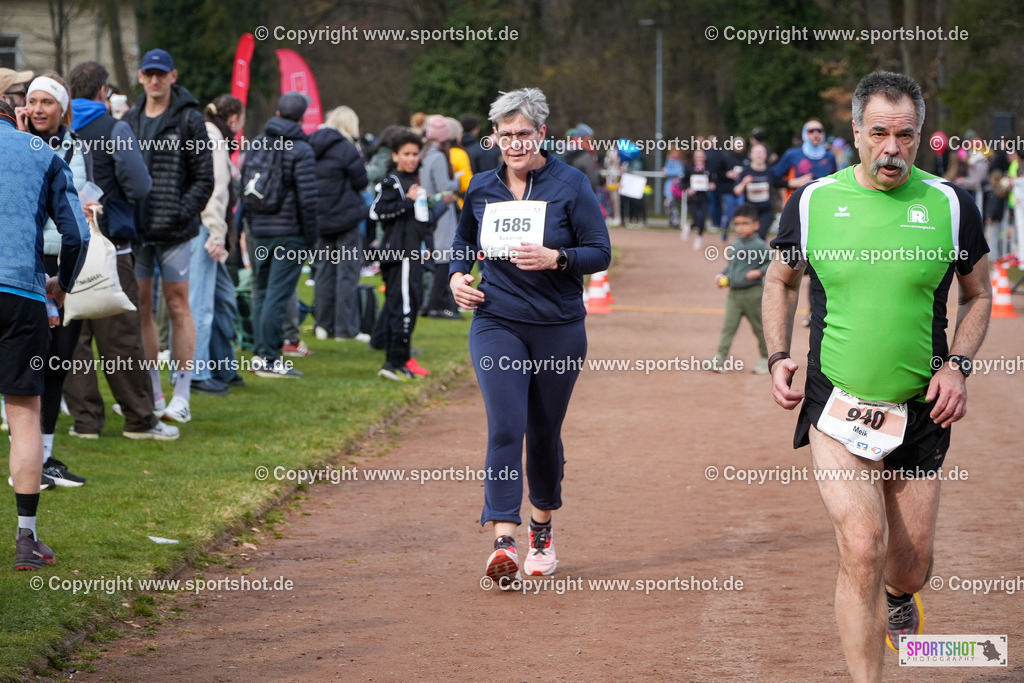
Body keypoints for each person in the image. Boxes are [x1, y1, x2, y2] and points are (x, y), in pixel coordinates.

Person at [763, 71, 991, 681]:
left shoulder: (948, 204)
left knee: (909, 566)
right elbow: (780, 280)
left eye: (906, 135)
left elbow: (979, 295)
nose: (893, 147)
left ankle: (900, 599)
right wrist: (777, 354)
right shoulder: (812, 202)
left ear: (920, 138)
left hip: (920, 406)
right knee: (863, 547)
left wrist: (958, 367)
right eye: (880, 134)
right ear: (857, 133)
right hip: (836, 401)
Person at [449, 88, 611, 584]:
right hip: (497, 321)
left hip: (559, 326)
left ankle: (542, 527)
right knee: (505, 426)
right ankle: (503, 539)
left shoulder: (571, 184)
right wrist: (457, 277)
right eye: (506, 135)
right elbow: (462, 242)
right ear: (493, 137)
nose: (515, 144)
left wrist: (556, 258)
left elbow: (599, 252)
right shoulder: (481, 187)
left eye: (524, 134)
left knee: (543, 433)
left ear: (541, 133)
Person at [64, 60, 179, 440]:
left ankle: (85, 420)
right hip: (111, 245)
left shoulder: (58, 130)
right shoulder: (116, 128)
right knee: (120, 337)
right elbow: (140, 185)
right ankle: (139, 418)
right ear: (103, 92)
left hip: (63, 247)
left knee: (73, 339)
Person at [0, 97, 89, 568]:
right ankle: (26, 541)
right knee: (24, 417)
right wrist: (61, 287)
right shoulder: (42, 153)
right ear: (14, 117)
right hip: (21, 294)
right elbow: (77, 236)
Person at [124, 48, 214, 423]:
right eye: (149, 73)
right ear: (141, 77)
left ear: (173, 76)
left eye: (162, 73)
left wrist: (179, 211)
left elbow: (204, 179)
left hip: (175, 231)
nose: (156, 80)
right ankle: (153, 393)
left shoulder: (190, 120)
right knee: (141, 307)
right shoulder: (128, 119)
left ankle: (182, 394)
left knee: (178, 305)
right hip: (139, 230)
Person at [16, 73, 93, 487]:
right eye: (34, 101)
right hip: (21, 258)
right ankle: (27, 457)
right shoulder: (14, 141)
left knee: (58, 357)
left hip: (63, 256)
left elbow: (76, 198)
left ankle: (44, 455)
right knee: (25, 359)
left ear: (62, 109)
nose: (40, 108)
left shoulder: (75, 147)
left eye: (48, 102)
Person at [245, 92, 319, 378]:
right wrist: (311, 238)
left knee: (262, 293)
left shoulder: (258, 143)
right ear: (302, 118)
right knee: (278, 294)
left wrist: (248, 226)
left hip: (259, 230)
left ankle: (260, 353)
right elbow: (308, 200)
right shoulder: (301, 149)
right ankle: (269, 358)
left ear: (276, 114)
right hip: (289, 234)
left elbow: (245, 187)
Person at [368, 129, 447, 380]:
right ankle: (393, 362)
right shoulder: (391, 182)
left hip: (413, 254)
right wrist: (409, 202)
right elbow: (376, 212)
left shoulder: (414, 183)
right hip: (398, 255)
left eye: (415, 154)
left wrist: (438, 204)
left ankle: (403, 358)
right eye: (406, 154)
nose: (411, 158)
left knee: (411, 305)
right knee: (401, 307)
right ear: (395, 155)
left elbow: (421, 221)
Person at [190, 94, 245, 395]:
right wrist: (216, 232)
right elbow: (216, 188)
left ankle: (223, 366)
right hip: (206, 229)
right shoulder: (214, 136)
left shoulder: (208, 132)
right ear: (234, 120)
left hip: (206, 227)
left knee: (224, 300)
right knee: (200, 303)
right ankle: (196, 372)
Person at [309, 105, 369, 341]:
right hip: (345, 218)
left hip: (319, 218)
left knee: (323, 271)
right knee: (347, 273)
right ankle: (346, 328)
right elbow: (361, 181)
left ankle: (322, 325)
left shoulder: (310, 144)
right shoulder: (347, 148)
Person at [711, 204, 769, 374]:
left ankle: (766, 358)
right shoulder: (736, 244)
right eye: (737, 224)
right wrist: (723, 276)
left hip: (753, 293)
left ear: (756, 225)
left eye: (745, 223)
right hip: (734, 295)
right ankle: (720, 358)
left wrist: (759, 272)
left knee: (759, 328)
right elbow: (732, 267)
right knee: (728, 327)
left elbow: (772, 263)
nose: (740, 228)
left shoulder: (759, 245)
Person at [419, 115, 461, 322]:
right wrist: (458, 180)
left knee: (435, 261)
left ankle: (432, 303)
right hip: (441, 213)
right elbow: (444, 187)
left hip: (427, 211)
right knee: (444, 260)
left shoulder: (424, 154)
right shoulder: (439, 157)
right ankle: (436, 304)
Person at [771, 119, 837, 205]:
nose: (815, 134)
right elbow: (773, 179)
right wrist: (792, 182)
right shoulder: (792, 154)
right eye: (811, 131)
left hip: (824, 203)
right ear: (804, 134)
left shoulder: (830, 156)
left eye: (819, 131)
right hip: (799, 204)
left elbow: (836, 181)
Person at [734, 143, 777, 239]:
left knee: (761, 235)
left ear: (766, 155)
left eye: (762, 152)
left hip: (766, 210)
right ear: (751, 155)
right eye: (757, 152)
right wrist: (744, 183)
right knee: (748, 236)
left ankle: (759, 252)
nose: (759, 155)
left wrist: (798, 182)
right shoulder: (745, 171)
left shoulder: (770, 172)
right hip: (750, 211)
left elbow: (781, 183)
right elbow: (736, 191)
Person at [685, 148, 716, 248]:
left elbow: (713, 182)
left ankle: (698, 239)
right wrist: (688, 189)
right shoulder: (689, 169)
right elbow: (683, 182)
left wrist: (712, 185)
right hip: (693, 198)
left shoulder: (708, 170)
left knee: (702, 219)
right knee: (696, 218)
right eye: (698, 156)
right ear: (694, 157)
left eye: (702, 156)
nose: (700, 158)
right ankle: (690, 226)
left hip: (704, 197)